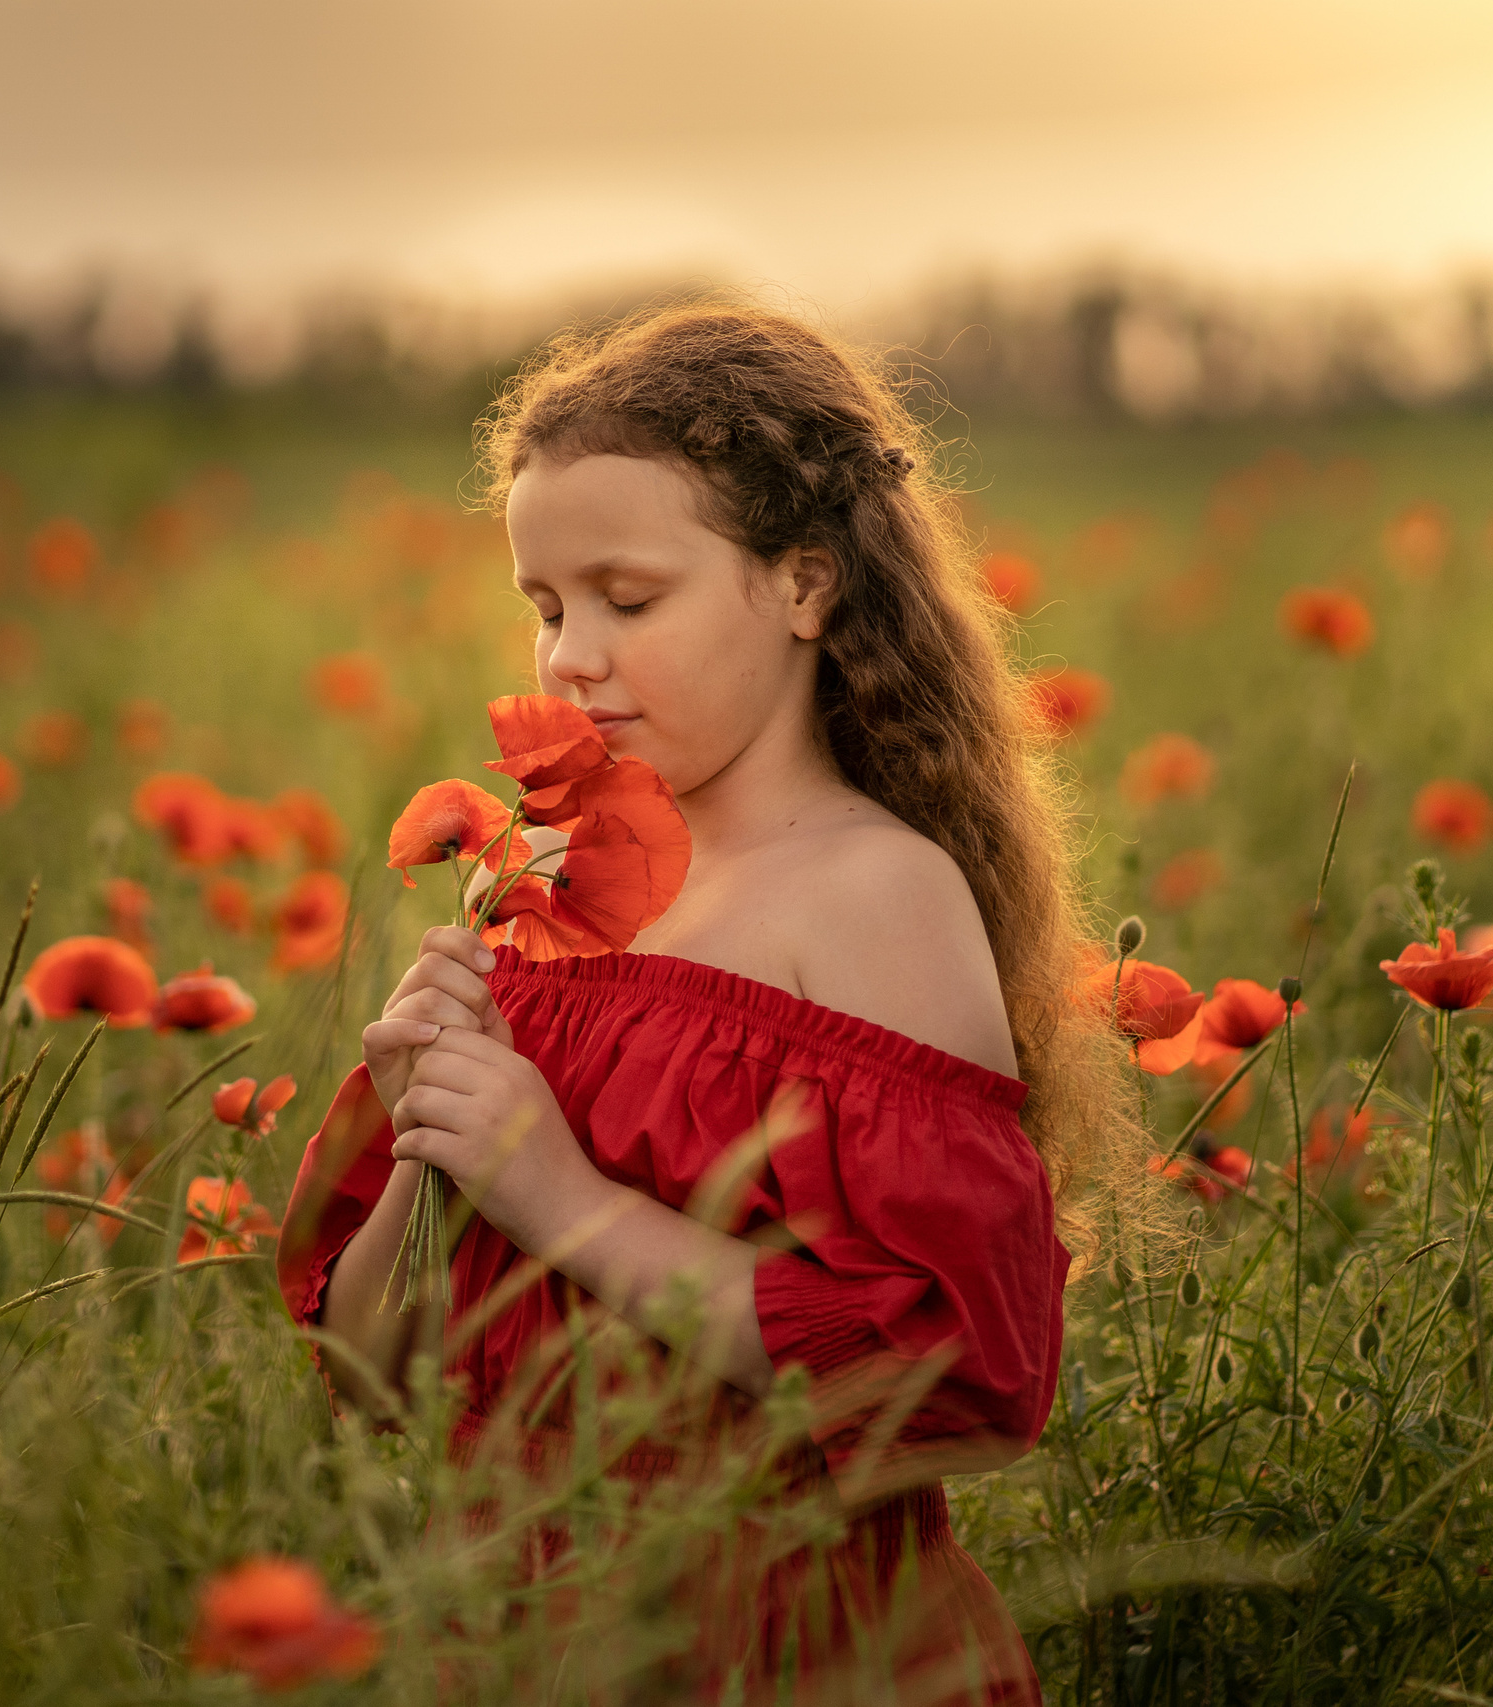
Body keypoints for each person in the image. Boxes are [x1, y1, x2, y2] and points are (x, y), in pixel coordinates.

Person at [276, 302, 1138, 1704]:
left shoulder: (875, 897)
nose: (567, 657)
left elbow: (963, 1386)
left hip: (783, 1645)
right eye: (547, 608)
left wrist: (552, 1191)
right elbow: (376, 1381)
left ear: (803, 586)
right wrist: (428, 1143)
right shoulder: (539, 882)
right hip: (509, 1637)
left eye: (628, 597)